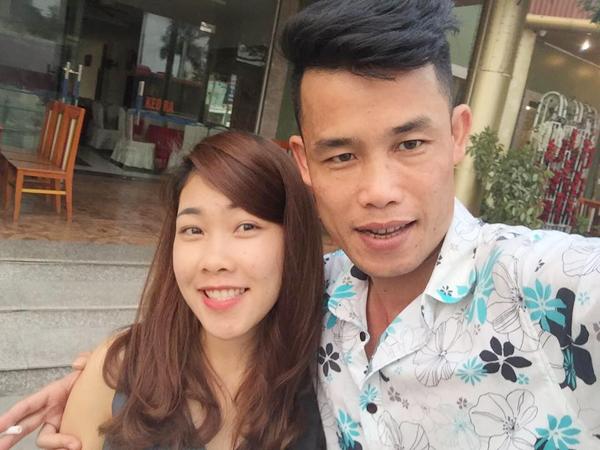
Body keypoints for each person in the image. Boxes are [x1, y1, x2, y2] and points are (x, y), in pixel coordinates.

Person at [3, 0, 600, 449]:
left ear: (458, 134)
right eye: (341, 155)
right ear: (304, 162)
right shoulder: (319, 292)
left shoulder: (559, 290)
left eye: (410, 143)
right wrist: (109, 382)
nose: (379, 191)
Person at [2, 131, 326, 450]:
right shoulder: (118, 371)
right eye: (193, 230)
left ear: (294, 238)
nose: (213, 261)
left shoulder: (332, 385)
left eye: (246, 226)